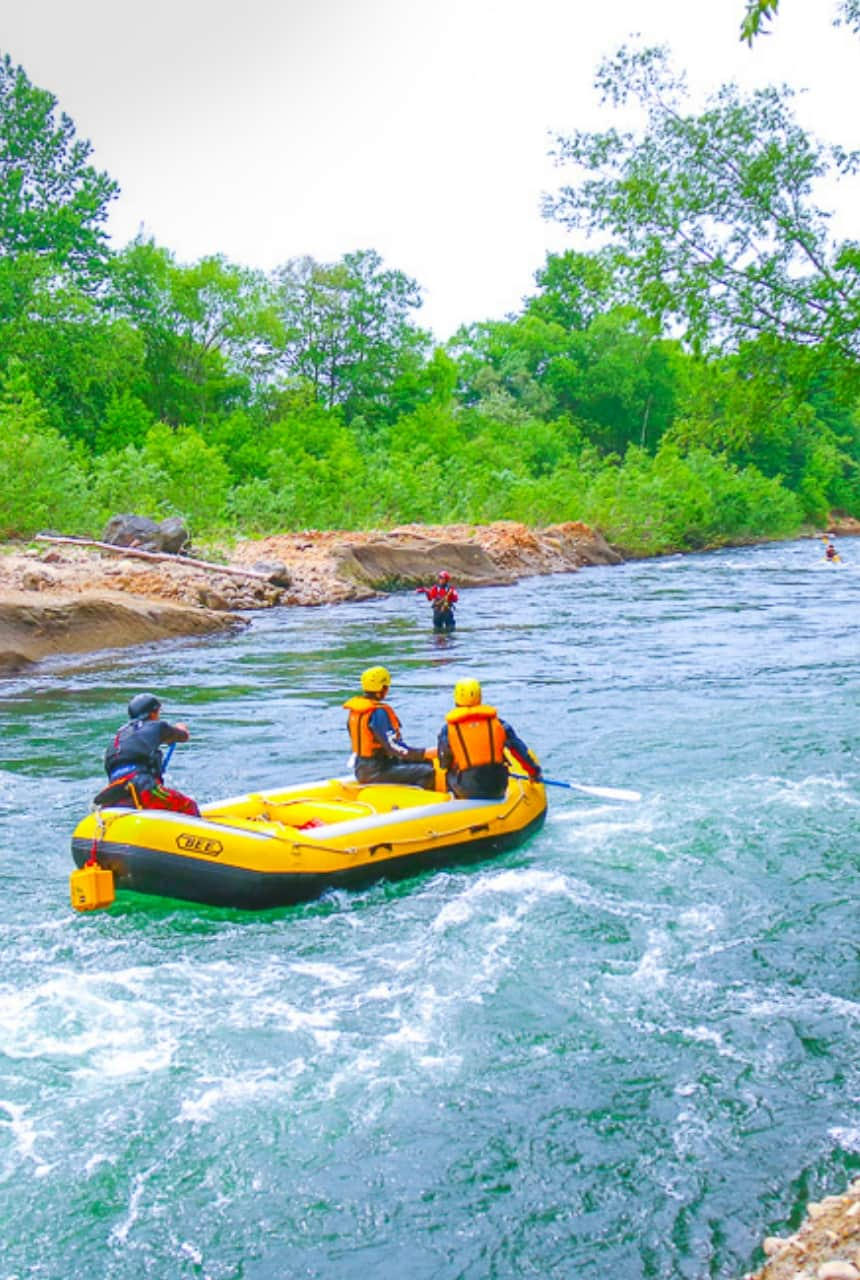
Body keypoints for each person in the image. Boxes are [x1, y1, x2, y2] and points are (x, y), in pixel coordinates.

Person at [95, 692, 201, 815]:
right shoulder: (157, 726)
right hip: (142, 787)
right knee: (189, 806)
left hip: (114, 795)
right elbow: (183, 736)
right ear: (153, 713)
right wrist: (181, 727)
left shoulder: (117, 738)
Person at [437, 678, 542, 800]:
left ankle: (456, 803)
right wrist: (534, 773)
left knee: (447, 773)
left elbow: (444, 763)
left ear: (456, 698)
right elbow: (519, 750)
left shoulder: (448, 729)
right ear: (480, 696)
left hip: (467, 789)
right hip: (498, 786)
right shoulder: (500, 724)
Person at [344, 666, 437, 789]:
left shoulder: (355, 713)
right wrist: (424, 753)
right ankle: (419, 803)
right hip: (377, 770)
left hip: (361, 767)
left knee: (425, 762)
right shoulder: (378, 713)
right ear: (382, 689)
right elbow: (393, 747)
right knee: (427, 772)